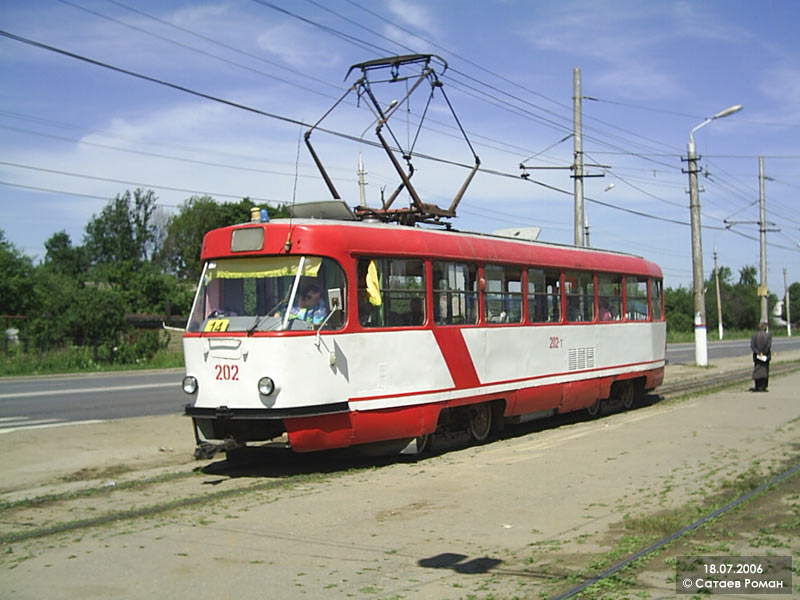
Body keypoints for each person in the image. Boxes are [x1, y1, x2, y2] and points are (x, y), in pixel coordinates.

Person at [750, 319, 772, 392]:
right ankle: (763, 386)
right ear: (765, 327)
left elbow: (752, 346)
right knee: (765, 370)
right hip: (766, 356)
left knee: (757, 369)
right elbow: (768, 346)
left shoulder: (754, 335)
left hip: (757, 356)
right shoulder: (768, 335)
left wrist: (758, 353)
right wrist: (763, 353)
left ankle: (757, 386)